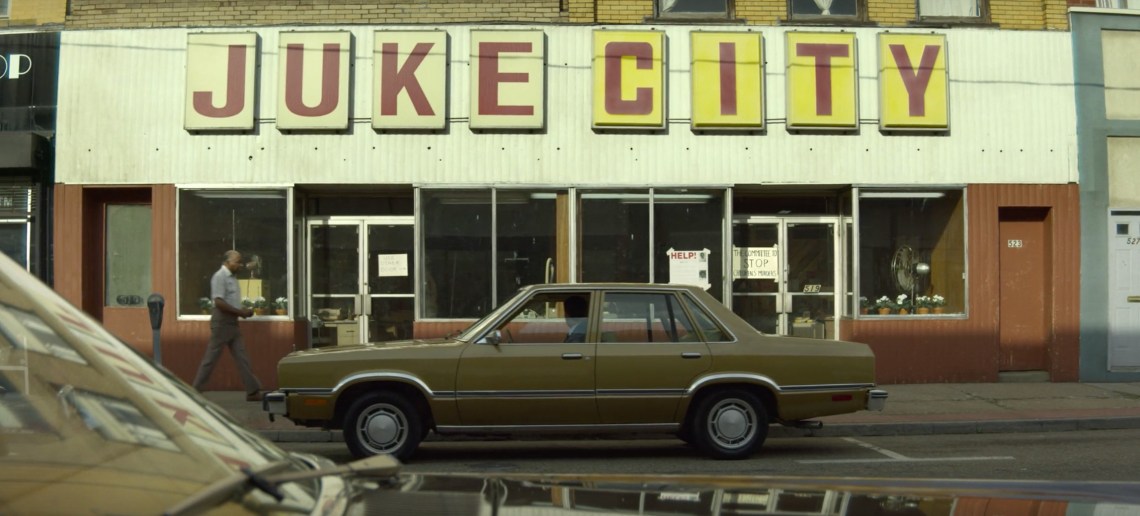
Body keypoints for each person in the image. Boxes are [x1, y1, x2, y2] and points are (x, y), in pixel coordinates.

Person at [192, 250, 263, 401]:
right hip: (222, 322)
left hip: (232, 322)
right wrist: (240, 312)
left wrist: (241, 311)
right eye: (237, 262)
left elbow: (231, 301)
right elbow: (218, 302)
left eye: (240, 261)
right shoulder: (220, 277)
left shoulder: (233, 278)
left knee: (242, 357)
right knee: (211, 358)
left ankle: (252, 391)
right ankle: (195, 390)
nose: (240, 265)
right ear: (227, 262)